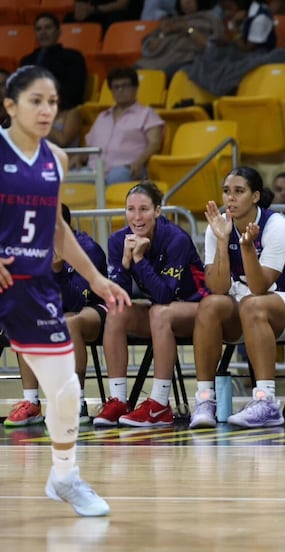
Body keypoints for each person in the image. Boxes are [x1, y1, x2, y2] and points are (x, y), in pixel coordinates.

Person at [0, 65, 130, 516]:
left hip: (33, 284)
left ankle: (65, 476)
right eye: (36, 100)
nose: (46, 110)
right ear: (11, 105)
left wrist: (96, 278)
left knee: (67, 388)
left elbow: (57, 229)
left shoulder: (56, 158)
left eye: (52, 102)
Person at [189, 166, 285, 429]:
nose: (230, 198)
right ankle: (205, 400)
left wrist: (246, 247)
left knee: (252, 303)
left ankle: (266, 401)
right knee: (210, 306)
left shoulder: (276, 223)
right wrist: (223, 241)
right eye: (226, 192)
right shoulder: (218, 226)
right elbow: (218, 288)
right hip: (247, 304)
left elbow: (259, 287)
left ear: (255, 196)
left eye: (239, 191)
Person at [93, 181, 209, 428]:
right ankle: (118, 401)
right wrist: (125, 262)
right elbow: (120, 296)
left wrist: (138, 259)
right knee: (116, 312)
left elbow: (165, 295)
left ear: (158, 210)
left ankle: (158, 405)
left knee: (159, 311)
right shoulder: (118, 241)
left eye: (144, 209)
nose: (136, 217)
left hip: (198, 309)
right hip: (162, 312)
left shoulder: (176, 239)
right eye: (130, 209)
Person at [4, 204, 108, 428]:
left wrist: (58, 271)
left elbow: (78, 301)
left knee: (69, 321)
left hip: (94, 311)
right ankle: (32, 403)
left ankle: (76, 402)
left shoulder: (88, 249)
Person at [79, 67, 165, 186]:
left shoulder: (147, 114)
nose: (120, 90)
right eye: (116, 87)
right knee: (73, 179)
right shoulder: (102, 117)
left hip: (127, 169)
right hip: (94, 170)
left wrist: (139, 162)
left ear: (135, 88)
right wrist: (76, 159)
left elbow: (155, 143)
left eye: (125, 86)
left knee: (116, 177)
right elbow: (88, 146)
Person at [137, 0, 226, 79]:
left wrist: (188, 29)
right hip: (159, 60)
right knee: (136, 69)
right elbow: (148, 50)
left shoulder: (210, 18)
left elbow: (212, 46)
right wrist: (163, 34)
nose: (186, 2)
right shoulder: (172, 21)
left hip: (187, 61)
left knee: (166, 72)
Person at [20, 13, 88, 112]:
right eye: (39, 29)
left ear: (58, 32)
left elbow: (74, 92)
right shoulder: (26, 61)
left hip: (61, 110)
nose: (43, 32)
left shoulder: (72, 57)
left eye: (48, 28)